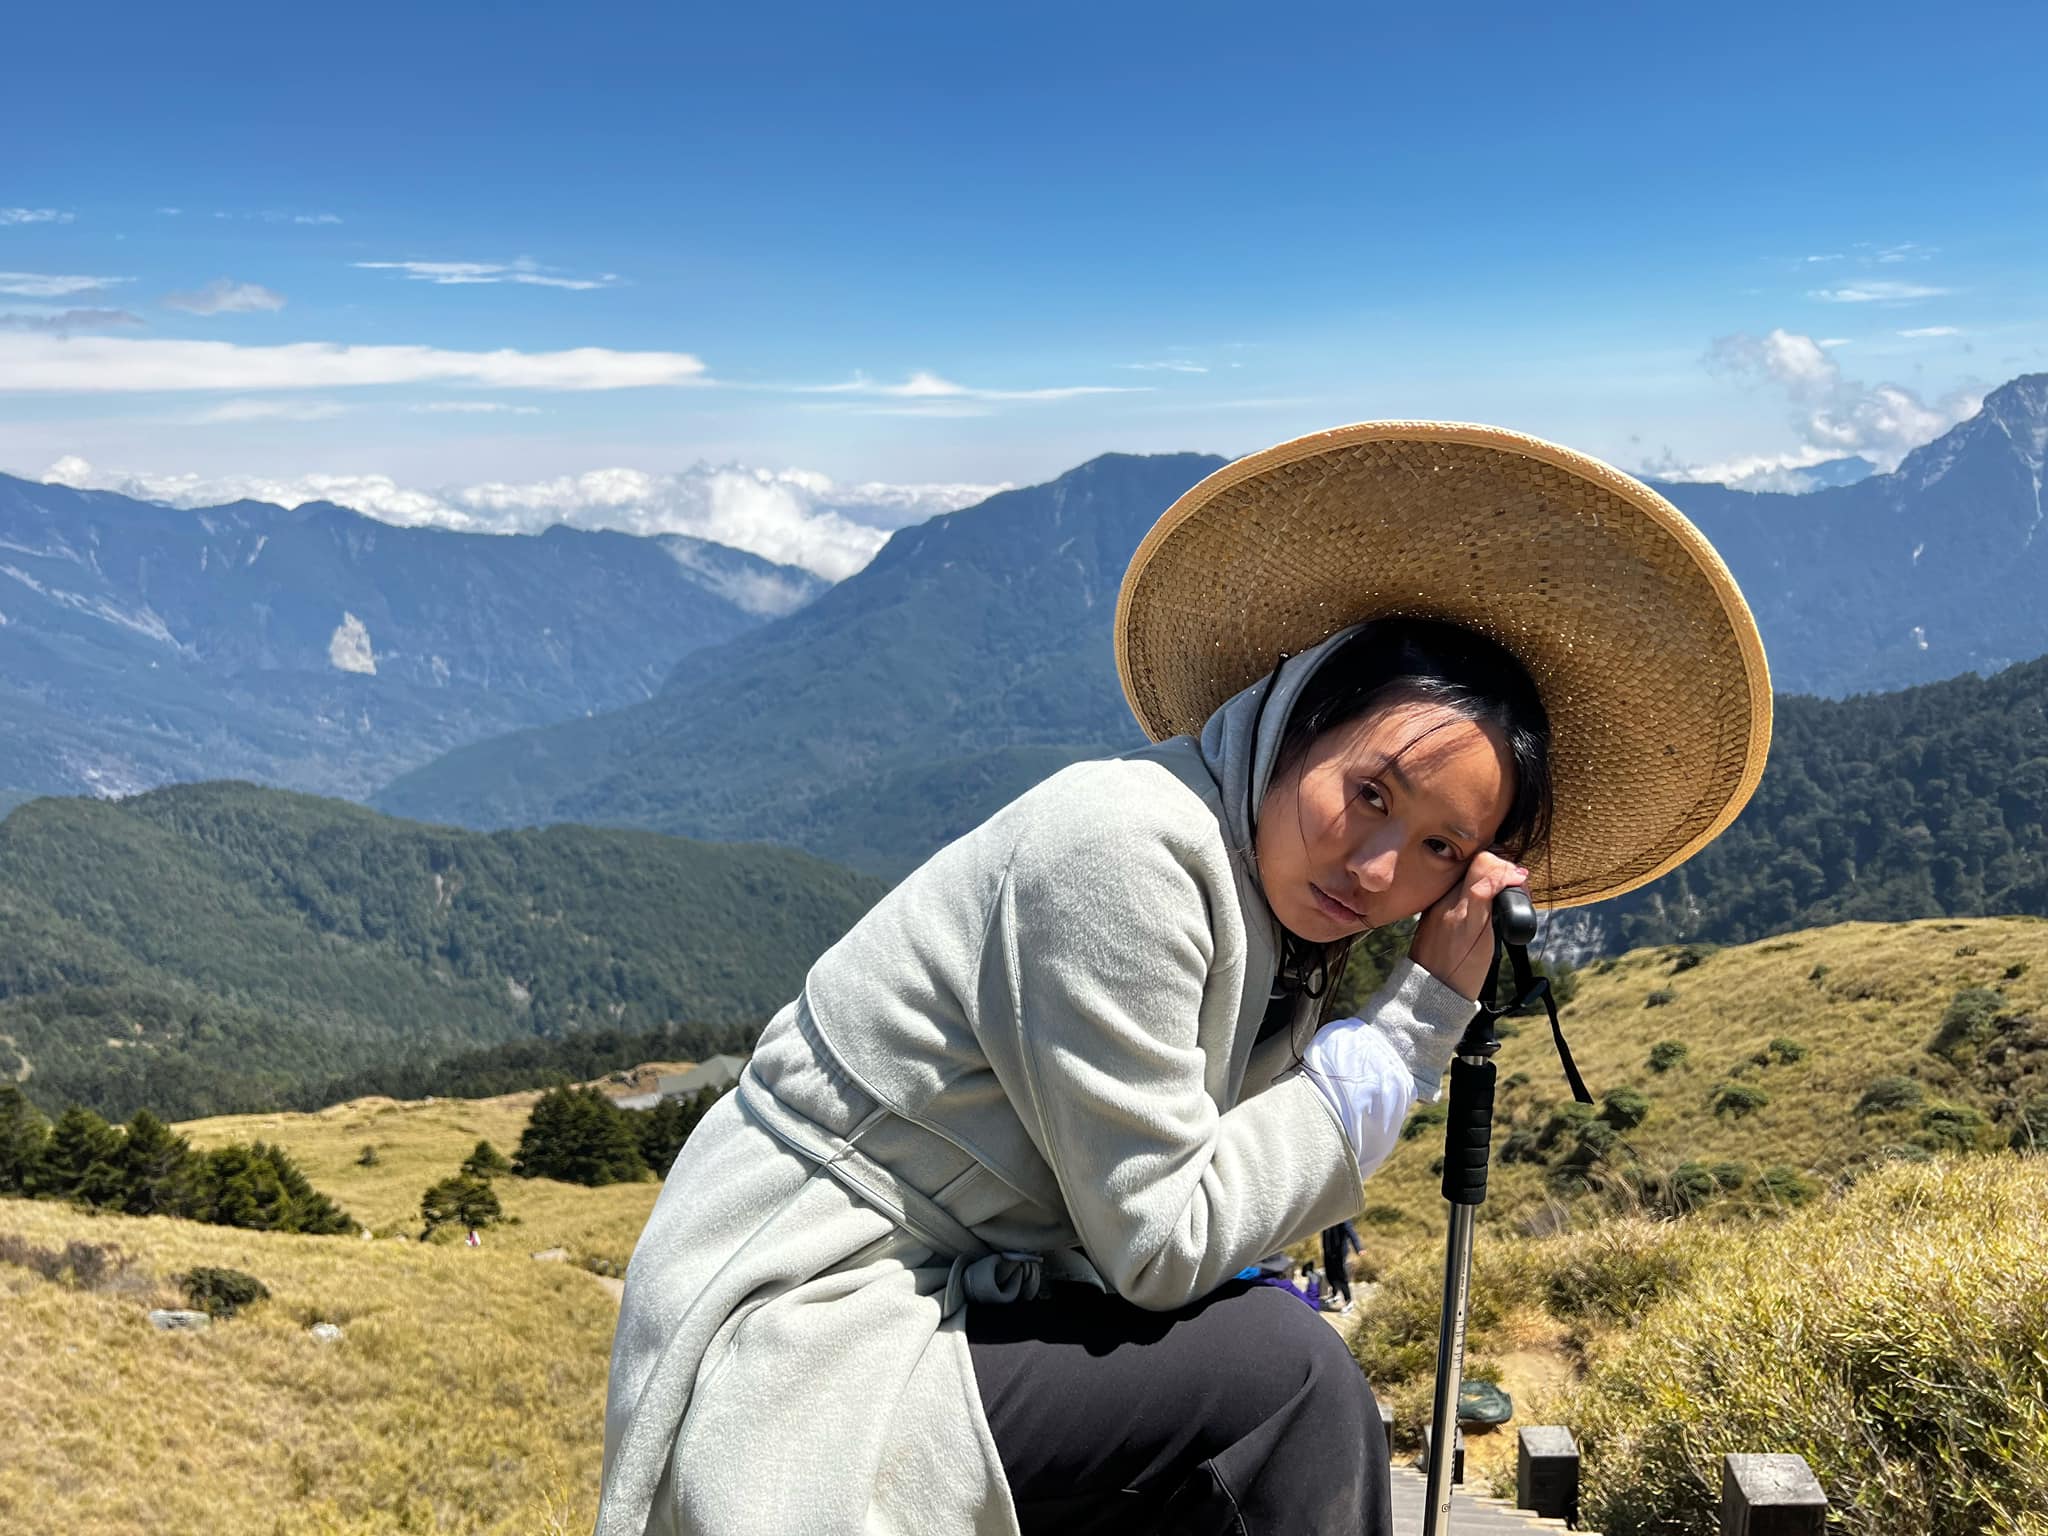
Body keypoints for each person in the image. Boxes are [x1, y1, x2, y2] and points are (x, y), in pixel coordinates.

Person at [595, 423, 1771, 1535]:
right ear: (1298, 714)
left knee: (1262, 1344)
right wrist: (1412, 1027)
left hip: (952, 1291)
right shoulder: (1124, 849)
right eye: (1369, 793)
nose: (1374, 869)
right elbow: (1160, 1241)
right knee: (1283, 1380)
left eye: (1439, 852)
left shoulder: (1269, 908)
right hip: (811, 1319)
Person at [1322, 1218, 1364, 1310]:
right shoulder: (1326, 1216)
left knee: (1341, 1276)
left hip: (1339, 1252)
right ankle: (1335, 1294)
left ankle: (1349, 1300)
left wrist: (1358, 1248)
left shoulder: (1343, 1216)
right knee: (1330, 1274)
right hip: (1328, 1251)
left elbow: (1350, 1231)